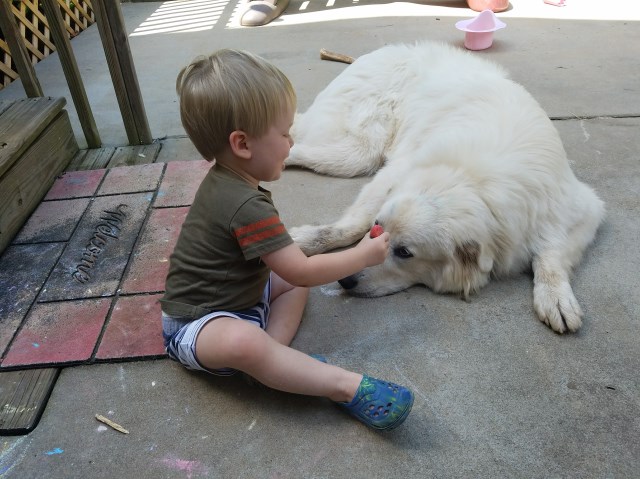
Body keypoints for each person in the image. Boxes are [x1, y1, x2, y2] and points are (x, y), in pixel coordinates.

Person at [161, 49, 414, 431]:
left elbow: (292, 270)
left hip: (242, 298)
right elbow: (303, 268)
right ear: (243, 144)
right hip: (198, 324)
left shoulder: (233, 182)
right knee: (246, 340)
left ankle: (272, 361)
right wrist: (362, 256)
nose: (292, 142)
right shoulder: (243, 203)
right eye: (283, 133)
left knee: (286, 292)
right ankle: (343, 387)